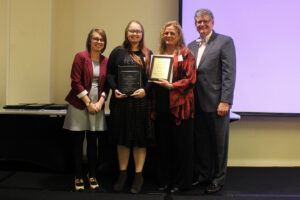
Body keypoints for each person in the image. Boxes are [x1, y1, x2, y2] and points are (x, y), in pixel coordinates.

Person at [187, 8, 236, 194]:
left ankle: (218, 179)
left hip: (217, 104)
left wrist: (225, 101)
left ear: (212, 23)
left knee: (219, 144)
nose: (202, 24)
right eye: (198, 22)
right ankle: (204, 175)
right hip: (195, 103)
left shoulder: (224, 42)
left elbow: (229, 74)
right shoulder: (191, 45)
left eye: (205, 21)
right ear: (195, 24)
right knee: (201, 142)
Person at [106, 20, 153, 194]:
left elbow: (153, 78)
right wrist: (115, 89)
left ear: (142, 34)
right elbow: (109, 73)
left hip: (142, 103)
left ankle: (138, 176)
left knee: (140, 140)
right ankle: (123, 174)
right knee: (122, 139)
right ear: (126, 32)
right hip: (121, 102)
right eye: (132, 31)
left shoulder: (148, 54)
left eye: (138, 31)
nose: (134, 34)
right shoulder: (117, 52)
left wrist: (145, 91)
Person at [152, 21, 196, 193]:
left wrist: (171, 86)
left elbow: (190, 80)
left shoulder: (186, 54)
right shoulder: (159, 54)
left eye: (172, 33)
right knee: (164, 146)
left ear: (178, 36)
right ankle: (165, 181)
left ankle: (181, 183)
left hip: (181, 107)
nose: (168, 36)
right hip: (162, 106)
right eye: (166, 33)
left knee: (181, 147)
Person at [63, 28, 108, 191]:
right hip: (80, 103)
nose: (98, 42)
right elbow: (75, 82)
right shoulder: (80, 57)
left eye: (101, 39)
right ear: (90, 41)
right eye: (95, 39)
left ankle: (92, 174)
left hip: (97, 105)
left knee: (92, 142)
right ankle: (78, 175)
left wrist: (100, 102)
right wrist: (89, 103)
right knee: (77, 141)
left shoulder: (106, 60)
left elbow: (107, 85)